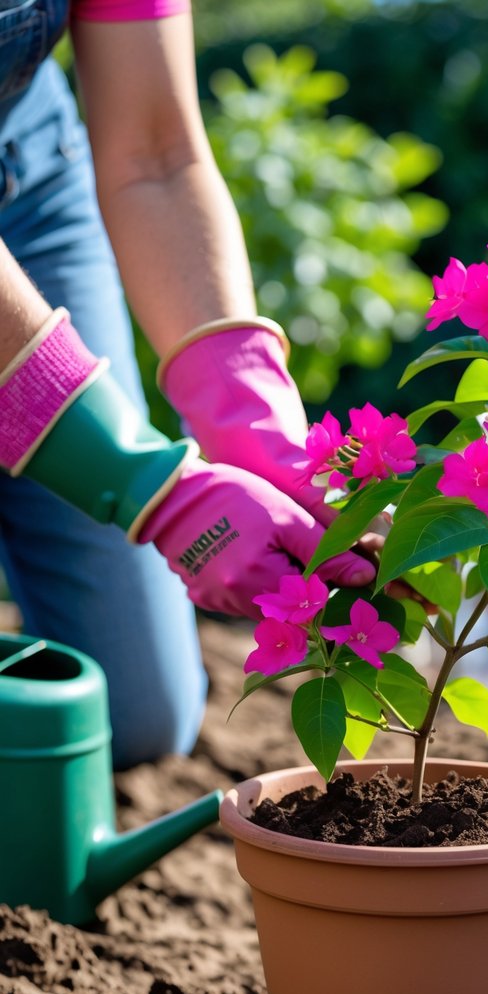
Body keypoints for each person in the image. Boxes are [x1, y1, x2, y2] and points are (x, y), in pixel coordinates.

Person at [0, 0, 375, 768]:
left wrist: (245, 405)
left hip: (28, 172)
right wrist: (150, 487)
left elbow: (158, 155)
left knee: (135, 714)